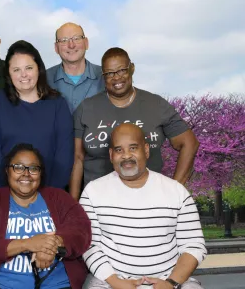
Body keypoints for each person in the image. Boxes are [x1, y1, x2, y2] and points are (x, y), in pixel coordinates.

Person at [79, 123, 206, 289]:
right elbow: (89, 245)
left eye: (133, 148)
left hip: (170, 280)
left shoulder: (176, 191)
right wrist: (117, 283)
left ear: (146, 150)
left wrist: (171, 283)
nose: (126, 156)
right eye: (119, 150)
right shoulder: (93, 191)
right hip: (111, 281)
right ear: (111, 155)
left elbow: (194, 245)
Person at [70, 47, 199, 199]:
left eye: (122, 70)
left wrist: (175, 192)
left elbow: (189, 143)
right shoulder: (86, 108)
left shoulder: (155, 104)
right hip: (99, 202)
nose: (116, 77)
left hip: (150, 200)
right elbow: (77, 159)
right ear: (103, 76)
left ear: (132, 68)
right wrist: (74, 206)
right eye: (109, 73)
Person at [0, 143, 91, 289]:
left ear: (41, 173)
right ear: (7, 171)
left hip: (58, 284)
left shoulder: (59, 197)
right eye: (18, 167)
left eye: (33, 168)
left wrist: (54, 244)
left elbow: (81, 230)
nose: (26, 174)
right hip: (2, 284)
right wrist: (27, 244)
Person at [0, 40, 74, 192]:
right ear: (8, 73)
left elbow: (64, 158)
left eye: (29, 68)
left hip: (48, 195)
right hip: (4, 194)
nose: (23, 75)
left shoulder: (57, 104)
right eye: (16, 70)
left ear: (39, 68)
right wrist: (11, 193)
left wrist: (49, 195)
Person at [47, 22, 104, 113]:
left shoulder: (105, 76)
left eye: (76, 38)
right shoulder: (43, 80)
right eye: (64, 40)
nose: (71, 45)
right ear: (56, 48)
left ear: (86, 43)